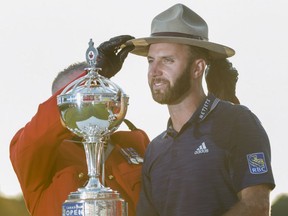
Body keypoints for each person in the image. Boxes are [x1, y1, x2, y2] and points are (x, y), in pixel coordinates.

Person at [118, 3, 274, 216]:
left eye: (168, 60)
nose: (154, 71)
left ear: (197, 67)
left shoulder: (237, 122)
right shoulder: (155, 149)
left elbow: (256, 207)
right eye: (151, 61)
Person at [10, 36, 150, 216]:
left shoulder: (134, 142)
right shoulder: (38, 153)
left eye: (95, 90)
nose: (88, 100)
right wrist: (93, 74)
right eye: (77, 94)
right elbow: (37, 136)